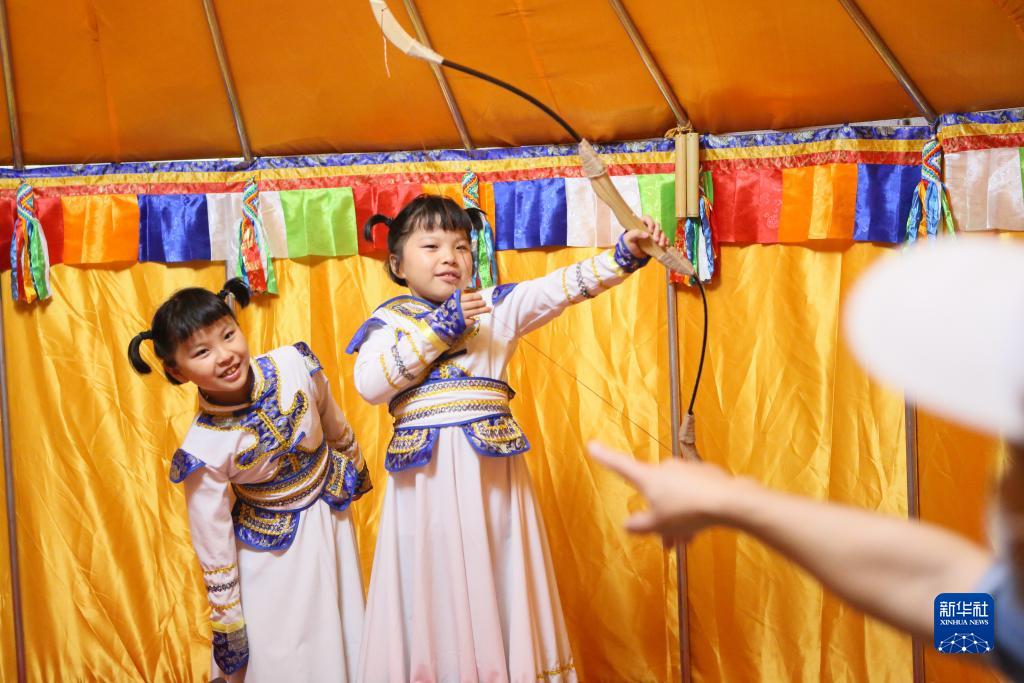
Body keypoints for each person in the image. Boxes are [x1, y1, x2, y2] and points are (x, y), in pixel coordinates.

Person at [588, 238, 1024, 680]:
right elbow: (934, 589)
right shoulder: (1011, 623)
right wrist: (730, 500)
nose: (1003, 486)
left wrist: (731, 501)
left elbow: (936, 588)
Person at [346, 194, 668, 682]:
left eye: (461, 246)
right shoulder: (386, 325)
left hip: (491, 483)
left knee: (498, 574)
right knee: (430, 586)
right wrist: (440, 329)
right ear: (397, 264)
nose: (450, 257)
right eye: (431, 246)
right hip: (424, 490)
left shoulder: (496, 306)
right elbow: (371, 384)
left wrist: (625, 254)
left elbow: (562, 287)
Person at [127, 278, 371, 682]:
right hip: (271, 554)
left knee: (344, 631)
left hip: (330, 519)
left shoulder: (292, 363)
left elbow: (329, 411)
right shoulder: (202, 447)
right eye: (202, 352)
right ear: (176, 370)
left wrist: (353, 461)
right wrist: (227, 619)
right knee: (286, 649)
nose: (224, 356)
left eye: (228, 335)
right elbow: (212, 539)